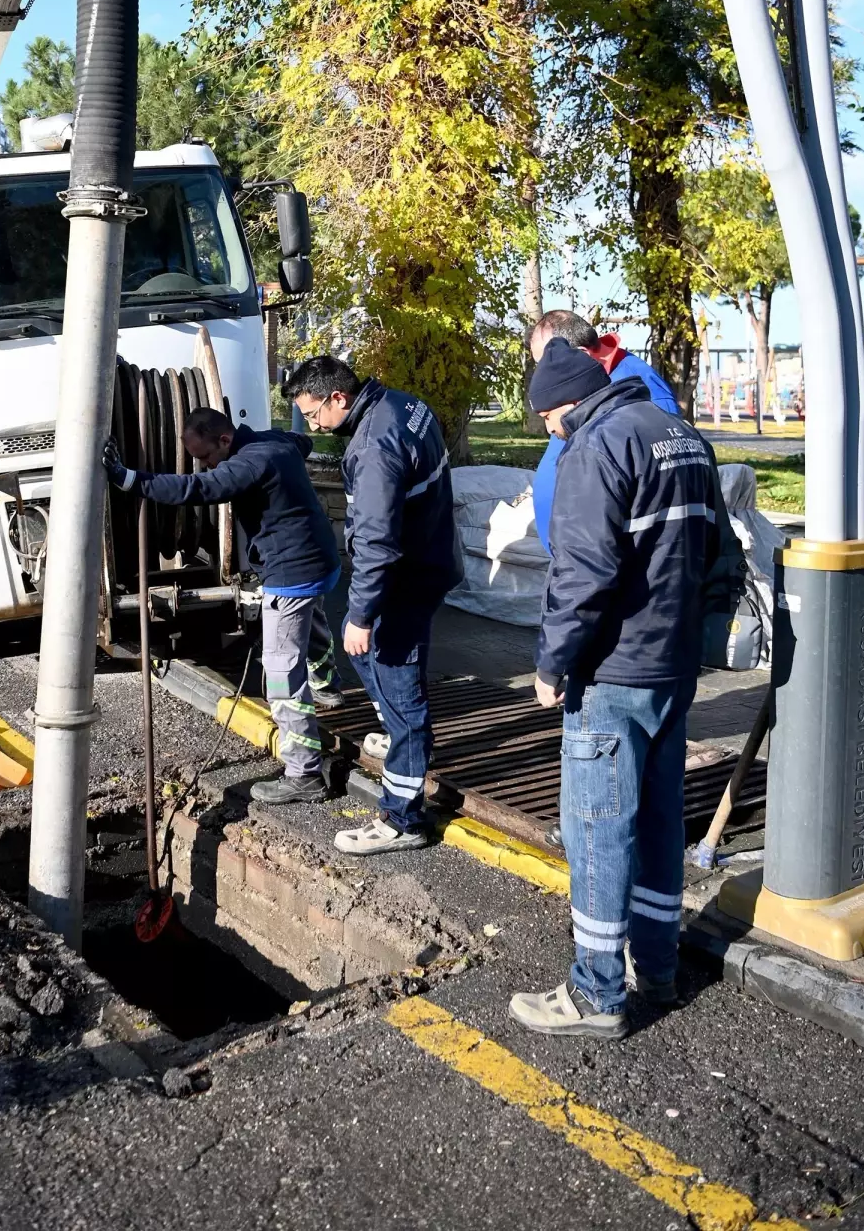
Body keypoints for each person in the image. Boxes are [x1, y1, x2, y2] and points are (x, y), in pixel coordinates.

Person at [509, 338, 733, 1041]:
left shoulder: (594, 447)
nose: (549, 431)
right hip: (673, 669)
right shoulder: (683, 437)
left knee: (599, 829)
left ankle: (595, 993)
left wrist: (551, 664)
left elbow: (582, 574)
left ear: (565, 404)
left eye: (546, 419)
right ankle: (657, 970)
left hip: (611, 673)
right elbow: (720, 553)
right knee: (662, 821)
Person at [104, 407, 343, 804]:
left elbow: (195, 490)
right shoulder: (276, 441)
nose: (204, 464)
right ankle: (327, 687)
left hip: (291, 572)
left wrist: (127, 479)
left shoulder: (251, 461)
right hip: (321, 560)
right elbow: (304, 441)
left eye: (206, 457)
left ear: (225, 440)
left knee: (282, 674)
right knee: (312, 622)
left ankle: (304, 774)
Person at [285, 355, 462, 856]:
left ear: (337, 397)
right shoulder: (404, 405)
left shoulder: (374, 447)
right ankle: (403, 737)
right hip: (429, 560)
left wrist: (362, 614)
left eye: (314, 413)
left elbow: (378, 541)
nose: (314, 425)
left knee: (395, 677)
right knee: (368, 657)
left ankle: (401, 818)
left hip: (402, 579)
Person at [529, 310, 681, 555]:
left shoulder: (642, 385)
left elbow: (665, 475)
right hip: (575, 552)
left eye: (544, 363)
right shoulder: (575, 391)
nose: (542, 374)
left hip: (610, 559)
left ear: (582, 355)